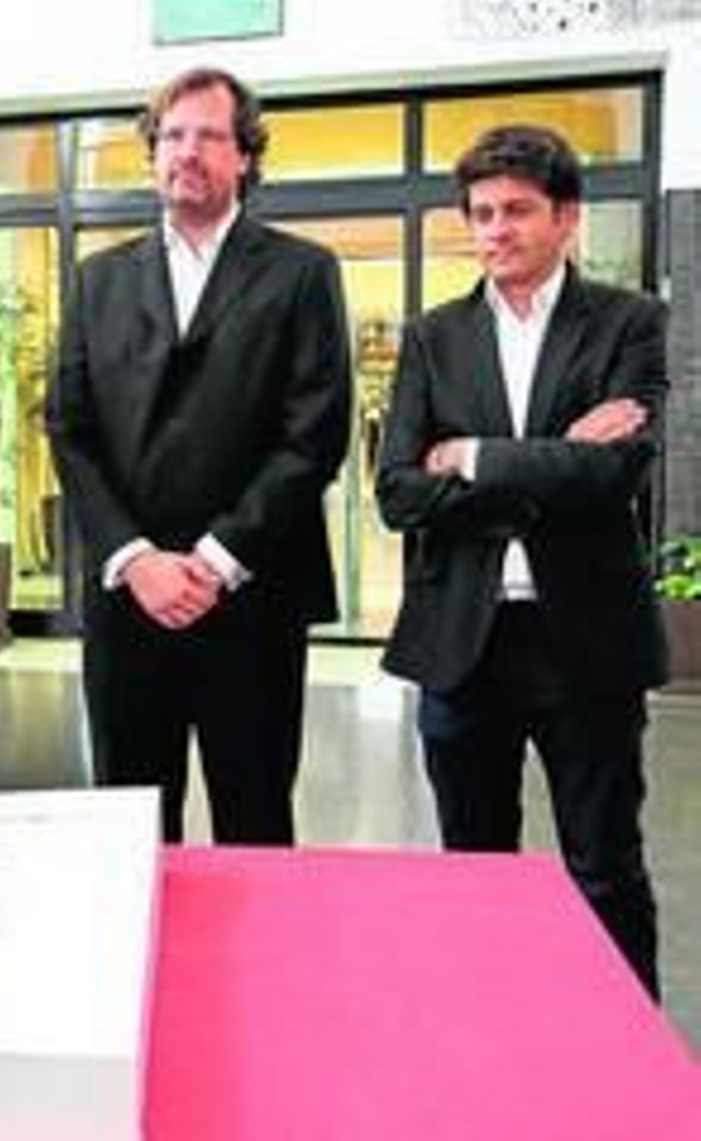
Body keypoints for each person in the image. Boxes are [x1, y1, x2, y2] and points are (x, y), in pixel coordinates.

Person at [376, 124, 667, 997]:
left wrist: (470, 455)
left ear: (567, 217)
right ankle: (490, 1027)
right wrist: (552, 459)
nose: (496, 229)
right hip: (462, 642)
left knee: (604, 865)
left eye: (518, 211)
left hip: (586, 639)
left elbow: (616, 469)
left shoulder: (631, 323)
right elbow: (396, 492)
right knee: (473, 869)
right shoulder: (434, 337)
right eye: (482, 212)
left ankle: (628, 1051)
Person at [46, 67, 352, 844]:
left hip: (252, 596)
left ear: (245, 154)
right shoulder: (96, 279)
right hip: (128, 600)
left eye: (211, 135)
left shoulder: (301, 272)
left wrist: (214, 559)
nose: (189, 151)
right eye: (173, 135)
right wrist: (135, 556)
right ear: (152, 154)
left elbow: (314, 434)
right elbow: (70, 430)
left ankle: (257, 972)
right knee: (132, 829)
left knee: (256, 821)